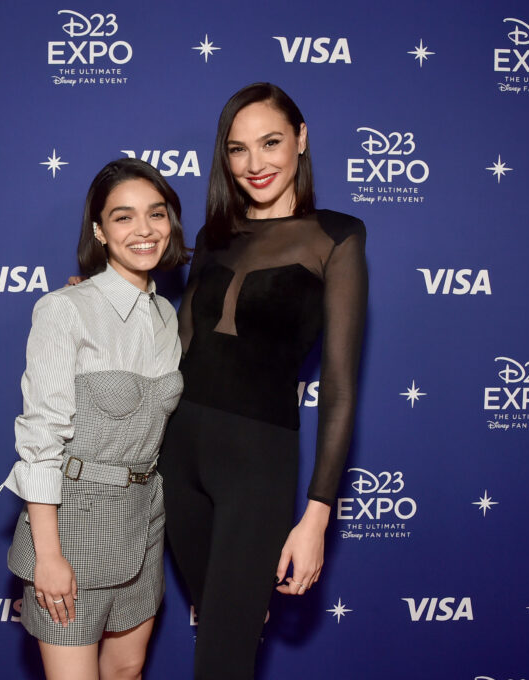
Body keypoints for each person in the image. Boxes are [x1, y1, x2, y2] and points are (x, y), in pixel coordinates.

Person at [158, 82, 368, 679]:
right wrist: (95, 299)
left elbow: (341, 388)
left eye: (271, 142)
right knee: (220, 645)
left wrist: (317, 516)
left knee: (221, 664)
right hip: (176, 464)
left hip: (257, 467)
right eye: (238, 149)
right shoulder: (215, 237)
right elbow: (174, 350)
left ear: (301, 140)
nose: (255, 164)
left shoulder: (337, 237)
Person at [0, 157, 190, 680]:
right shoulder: (65, 309)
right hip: (73, 522)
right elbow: (40, 436)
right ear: (100, 231)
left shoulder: (167, 315)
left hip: (145, 517)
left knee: (127, 670)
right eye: (123, 217)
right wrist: (48, 556)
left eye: (156, 213)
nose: (144, 230)